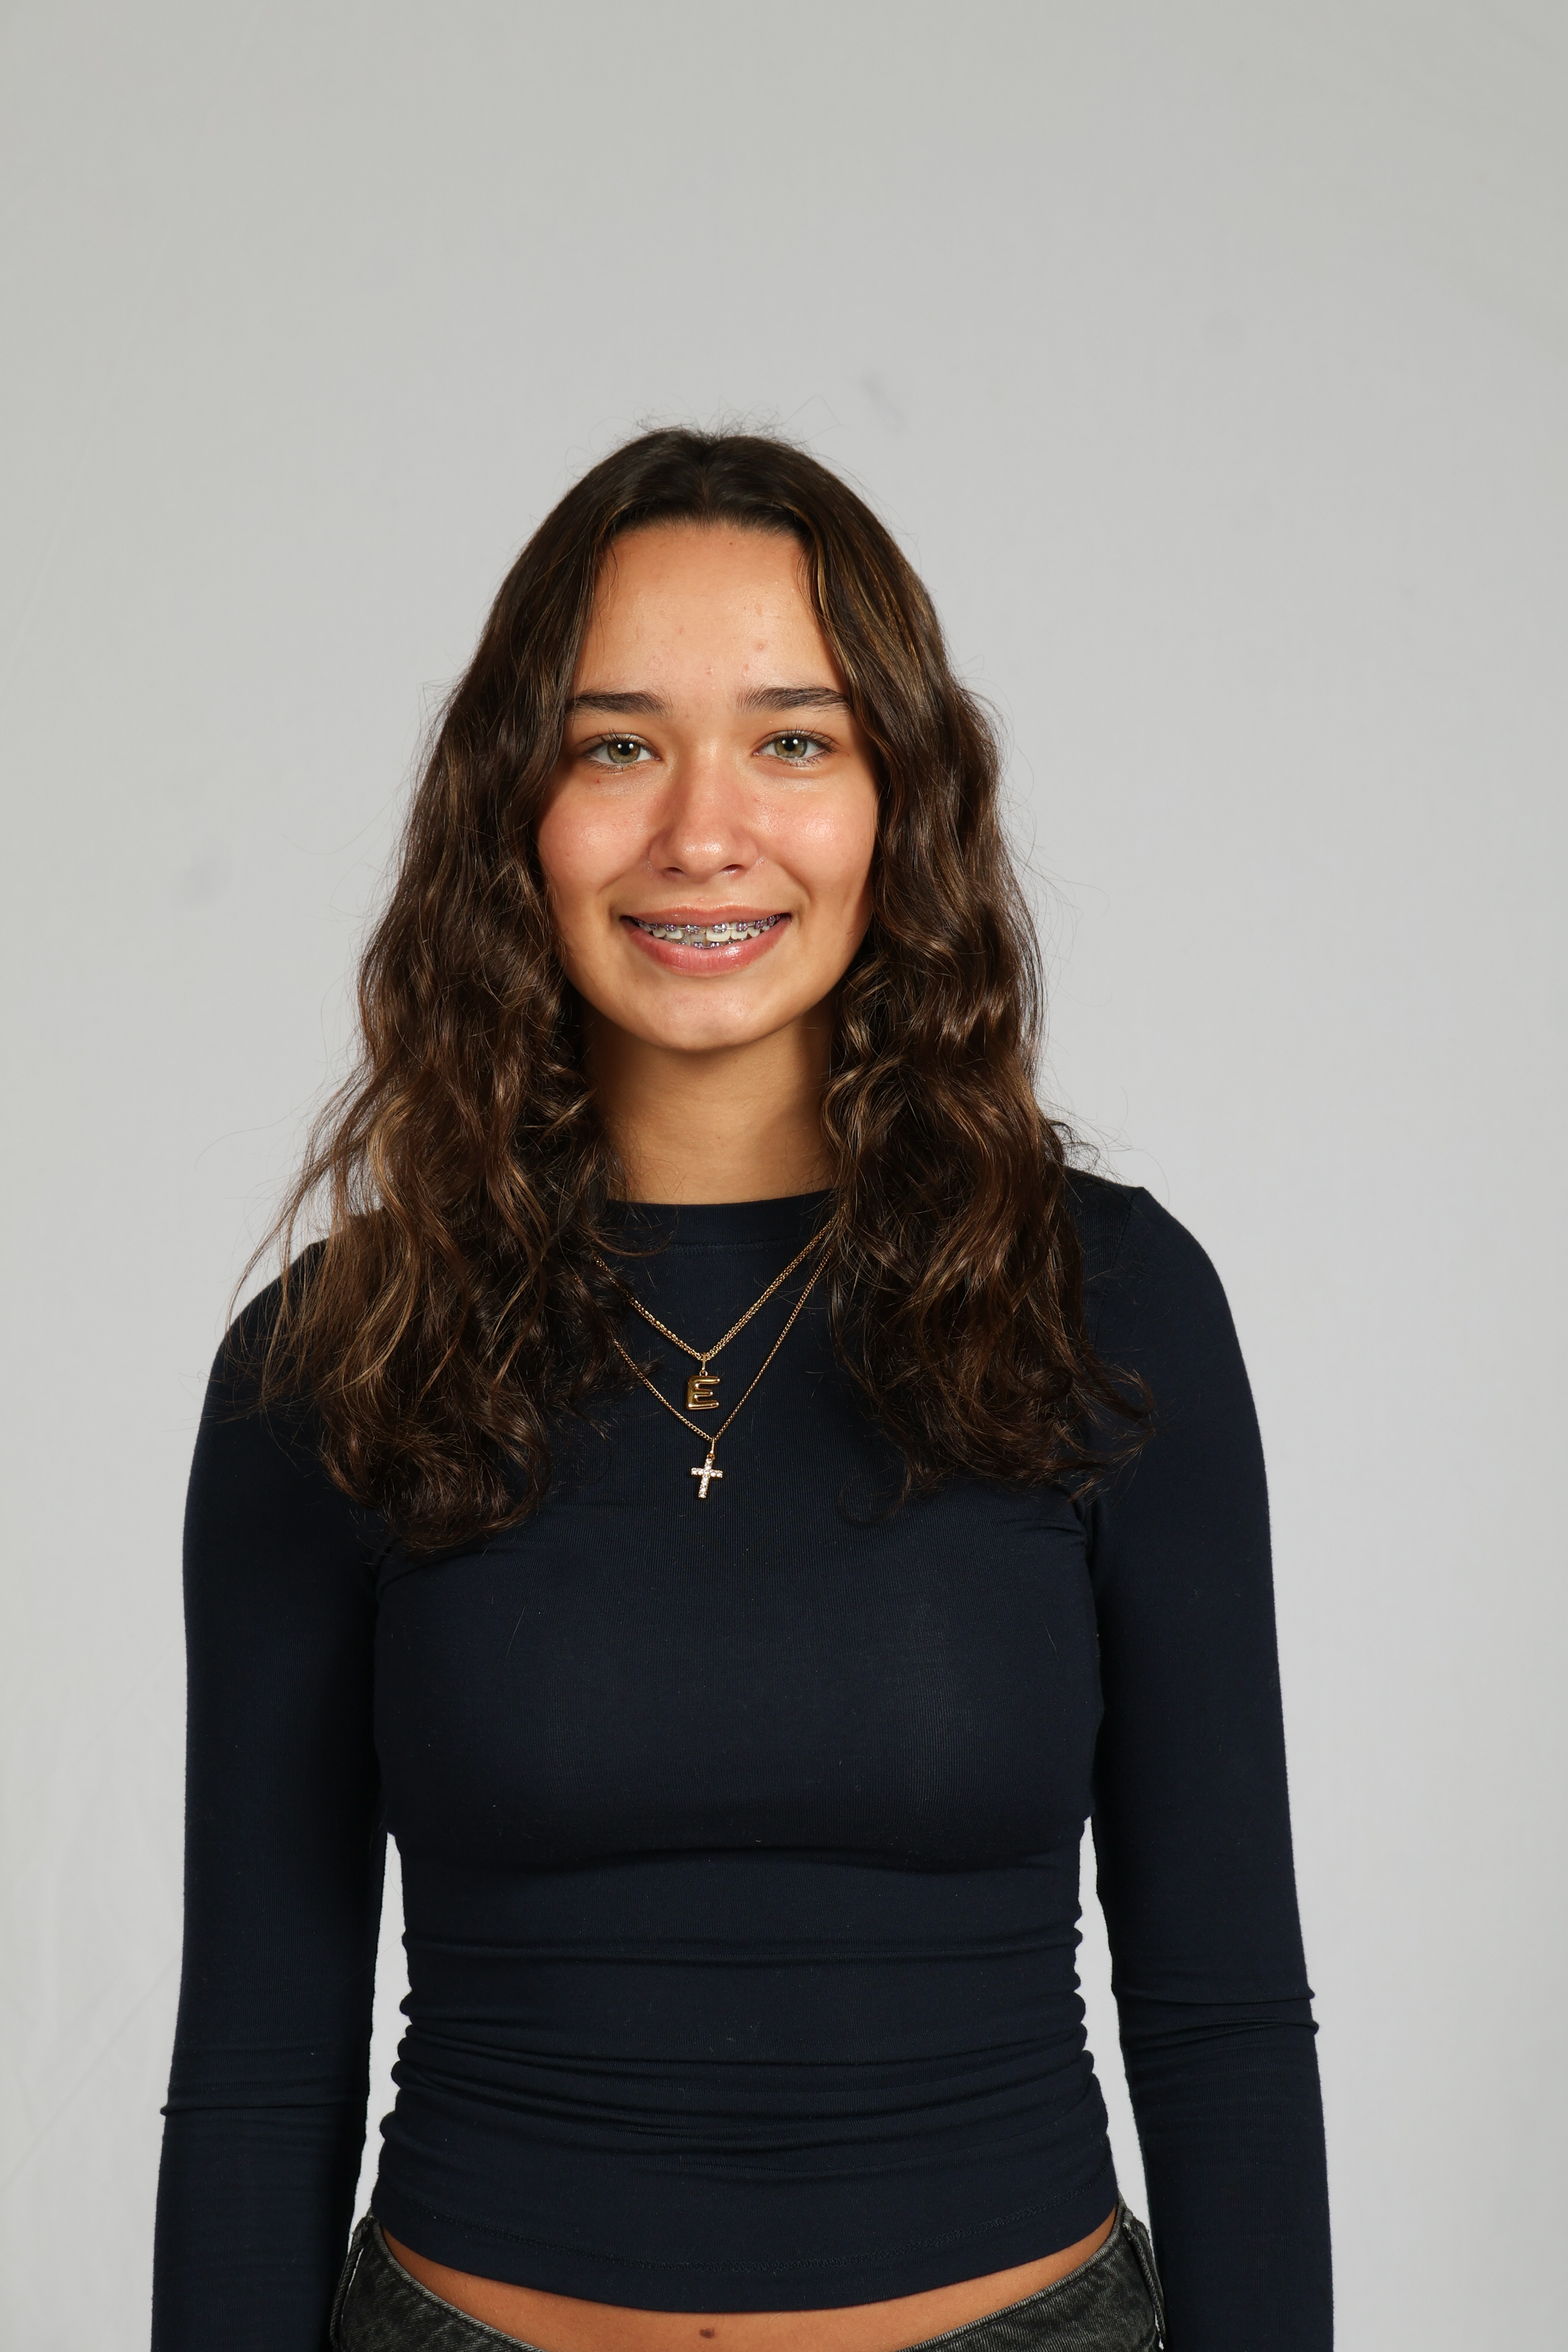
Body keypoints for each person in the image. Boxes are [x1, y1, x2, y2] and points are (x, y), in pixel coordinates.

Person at [152, 430, 1331, 2352]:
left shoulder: (1105, 1304)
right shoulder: (341, 1353)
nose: (705, 831)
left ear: (898, 802)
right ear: (513, 809)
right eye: (617, 745)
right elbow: (260, 2069)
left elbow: (1224, 2020)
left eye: (795, 739)